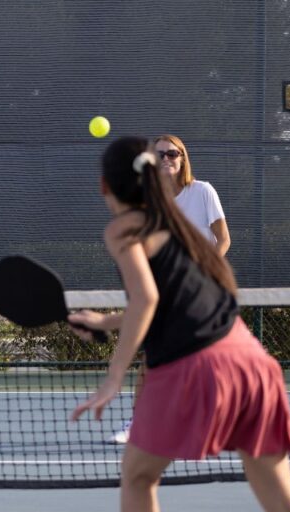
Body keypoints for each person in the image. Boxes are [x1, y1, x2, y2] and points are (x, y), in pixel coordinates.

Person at [69, 136, 290, 512]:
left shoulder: (122, 229)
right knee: (288, 505)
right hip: (250, 360)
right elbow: (168, 302)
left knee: (137, 478)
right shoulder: (179, 227)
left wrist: (113, 377)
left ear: (103, 187)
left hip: (195, 367)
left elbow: (147, 299)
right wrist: (104, 321)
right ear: (152, 176)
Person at [109, 133, 231, 444]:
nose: (167, 159)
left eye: (173, 154)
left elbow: (223, 239)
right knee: (152, 360)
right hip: (166, 291)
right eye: (160, 154)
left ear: (183, 157)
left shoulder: (202, 191)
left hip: (200, 291)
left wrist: (204, 271)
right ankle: (139, 423)